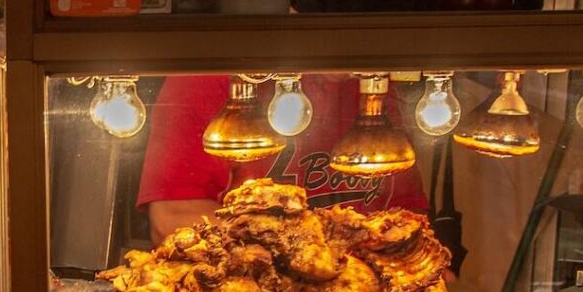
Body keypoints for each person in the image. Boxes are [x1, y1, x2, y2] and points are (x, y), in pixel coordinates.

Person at [137, 74, 429, 245]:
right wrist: (304, 249)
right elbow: (172, 220)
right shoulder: (208, 77)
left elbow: (408, 222)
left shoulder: (376, 84)